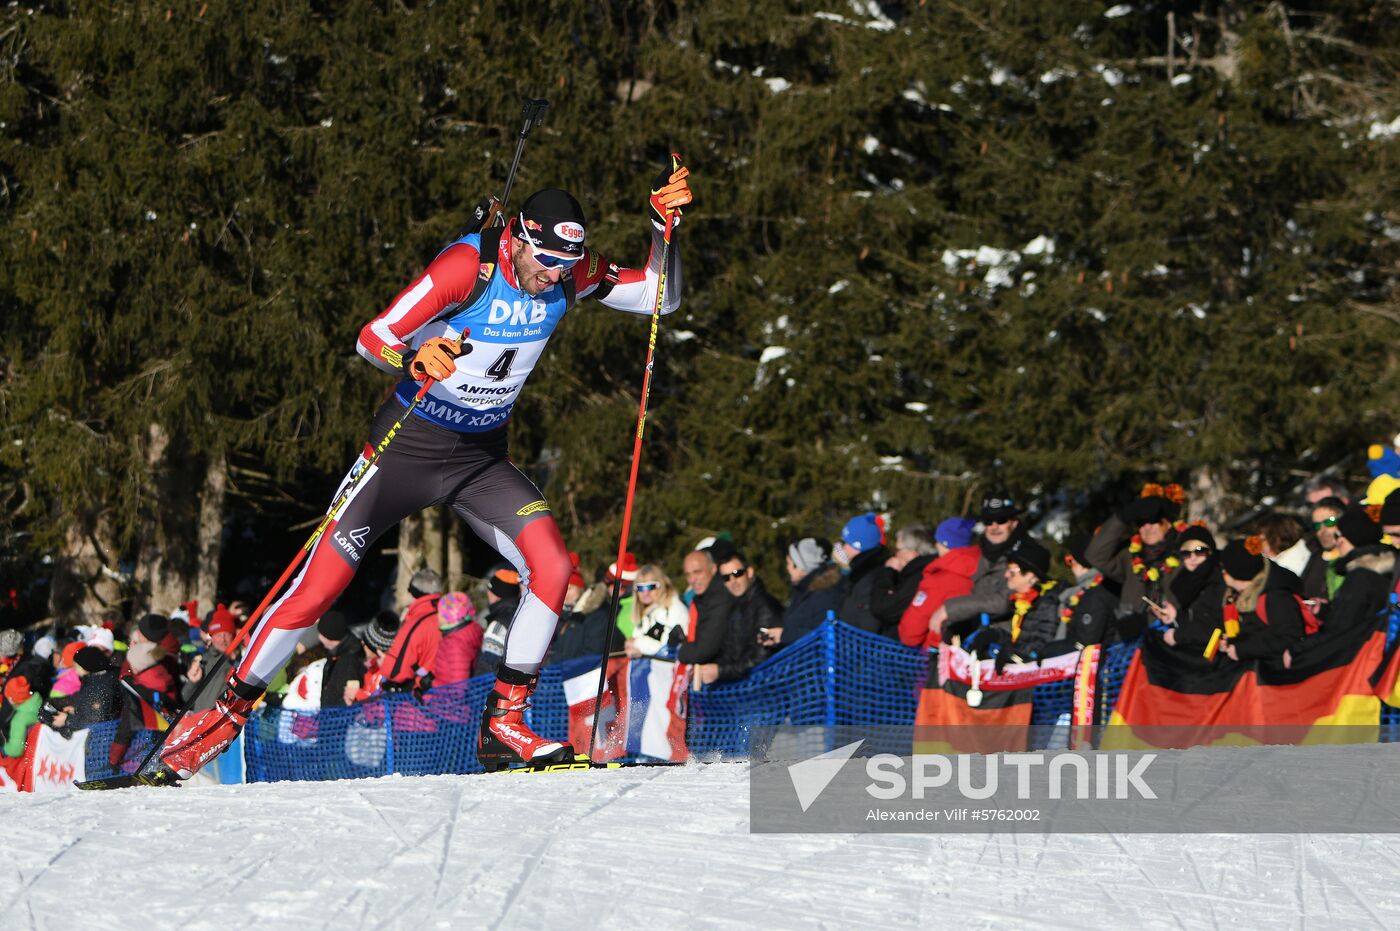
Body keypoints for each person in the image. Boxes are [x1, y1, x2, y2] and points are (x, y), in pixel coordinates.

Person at [158, 159, 694, 777]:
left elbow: (661, 296)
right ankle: (221, 716)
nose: (553, 277)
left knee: (552, 565)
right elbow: (373, 337)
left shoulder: (571, 274)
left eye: (564, 266)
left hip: (479, 459)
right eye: (544, 260)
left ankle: (505, 726)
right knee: (318, 590)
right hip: (404, 452)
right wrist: (415, 355)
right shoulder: (468, 266)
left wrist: (661, 231)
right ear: (519, 237)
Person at [932, 490, 1027, 643]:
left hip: (1010, 641)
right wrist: (954, 627)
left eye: (1001, 520)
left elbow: (1004, 600)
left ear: (1014, 522)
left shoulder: (1027, 554)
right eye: (989, 521)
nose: (994, 526)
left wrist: (950, 609)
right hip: (977, 640)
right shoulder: (982, 553)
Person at [1085, 483, 1186, 616]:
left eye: (1154, 521)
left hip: (1174, 632)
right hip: (1134, 632)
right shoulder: (1130, 554)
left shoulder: (1187, 551)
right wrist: (1123, 518)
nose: (1147, 527)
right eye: (1141, 522)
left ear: (1169, 522)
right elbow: (1095, 555)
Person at [693, 553, 780, 685]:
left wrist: (721, 671)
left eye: (737, 573)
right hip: (740, 688)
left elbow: (761, 658)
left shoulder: (765, 607)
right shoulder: (734, 606)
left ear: (749, 572)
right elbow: (730, 650)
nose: (732, 581)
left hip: (764, 689)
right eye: (726, 578)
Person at [1216, 538, 1305, 664]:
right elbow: (1258, 633)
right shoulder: (1240, 594)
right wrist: (1234, 642)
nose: (1222, 572)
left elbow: (1289, 638)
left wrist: (1243, 649)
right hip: (1257, 669)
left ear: (1237, 573)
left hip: (1274, 675)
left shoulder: (1276, 596)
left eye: (1224, 569)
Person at [899, 518, 979, 649]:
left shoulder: (940, 579)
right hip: (965, 652)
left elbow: (912, 630)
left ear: (944, 543)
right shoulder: (981, 569)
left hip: (935, 654)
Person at [761, 538, 846, 647]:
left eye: (789, 563)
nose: (787, 568)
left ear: (801, 567)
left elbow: (823, 635)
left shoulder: (825, 595)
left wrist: (784, 636)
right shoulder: (804, 590)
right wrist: (777, 638)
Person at [379, 568, 444, 696]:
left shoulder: (416, 624)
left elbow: (395, 672)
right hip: (445, 690)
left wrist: (384, 664)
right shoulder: (448, 615)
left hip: (420, 697)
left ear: (413, 593)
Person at [867, 525, 938, 641]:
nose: (896, 554)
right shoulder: (915, 573)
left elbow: (883, 608)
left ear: (912, 553)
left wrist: (888, 571)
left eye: (899, 550)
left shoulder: (920, 577)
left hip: (905, 649)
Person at [1058, 533, 1124, 647]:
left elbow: (1086, 639)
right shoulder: (1077, 592)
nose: (1070, 567)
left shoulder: (1095, 591)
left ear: (1082, 563)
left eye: (1070, 561)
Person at [677, 547, 738, 665]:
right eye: (688, 575)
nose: (692, 579)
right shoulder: (701, 598)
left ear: (713, 569)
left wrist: (679, 650)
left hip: (731, 672)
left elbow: (703, 650)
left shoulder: (720, 597)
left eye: (697, 572)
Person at [834, 511, 890, 635]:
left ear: (858, 545)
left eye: (846, 543)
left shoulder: (869, 577)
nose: (842, 548)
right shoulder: (859, 572)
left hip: (858, 648)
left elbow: (868, 623)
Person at [622, 565, 689, 659]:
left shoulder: (674, 609)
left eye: (650, 586)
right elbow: (636, 639)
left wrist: (637, 644)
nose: (645, 593)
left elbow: (668, 649)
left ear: (661, 585)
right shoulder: (646, 611)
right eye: (640, 588)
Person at [473, 568, 521, 677]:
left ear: (499, 594)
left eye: (491, 590)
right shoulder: (520, 615)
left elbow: (486, 667)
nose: (488, 593)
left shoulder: (498, 627)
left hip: (498, 688)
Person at [316, 611, 367, 708]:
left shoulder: (349, 661)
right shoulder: (337, 654)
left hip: (338, 719)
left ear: (329, 636)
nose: (319, 637)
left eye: (321, 634)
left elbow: (347, 698)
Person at [431, 592, 483, 688]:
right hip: (441, 693)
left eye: (440, 612)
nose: (437, 615)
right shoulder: (465, 632)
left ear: (448, 617)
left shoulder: (455, 643)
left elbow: (459, 685)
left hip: (445, 699)